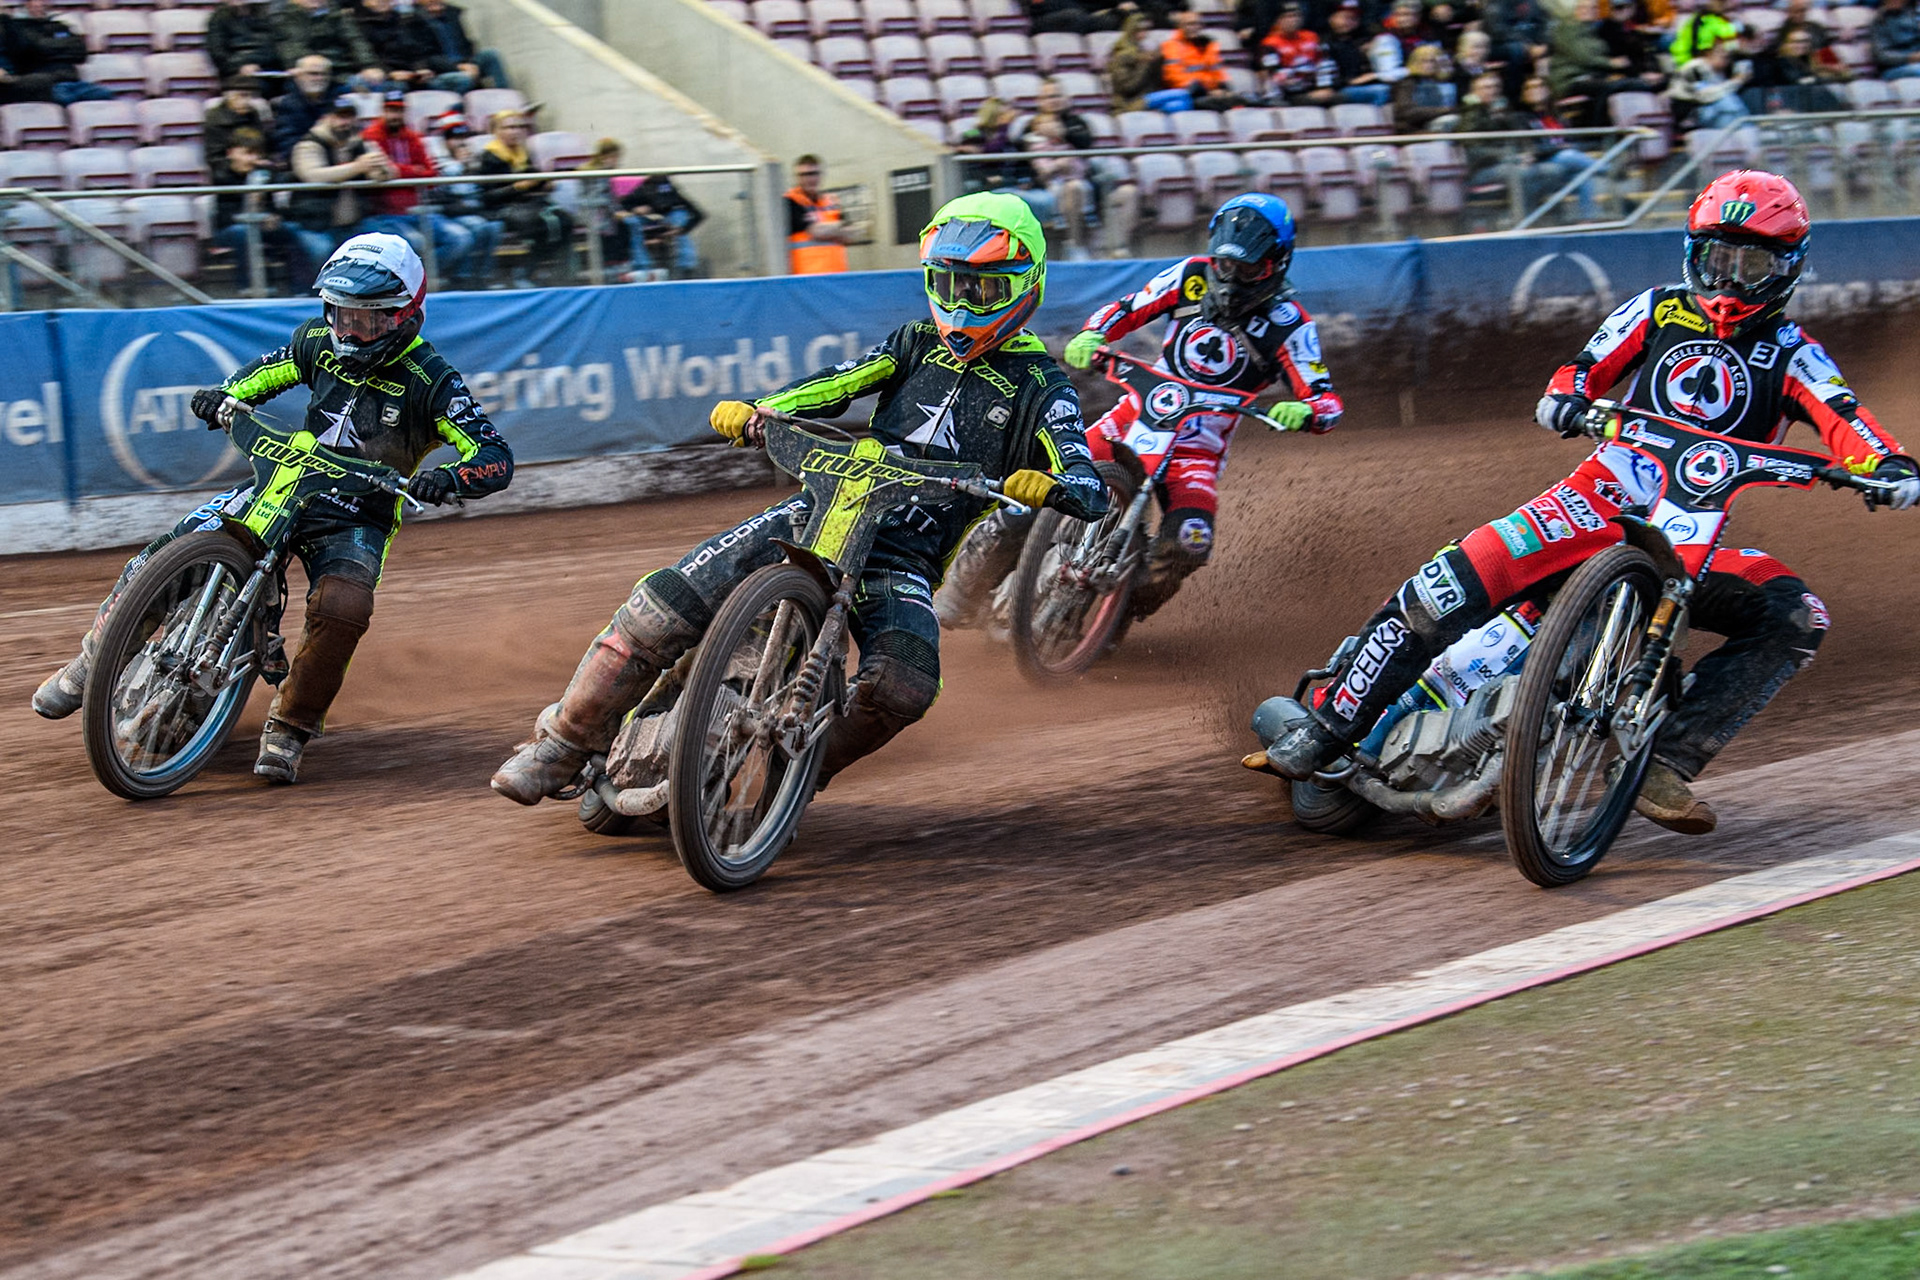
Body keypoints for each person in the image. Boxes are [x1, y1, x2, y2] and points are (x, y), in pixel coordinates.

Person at [1252, 171, 1920, 835]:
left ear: (1787, 269)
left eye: (1753, 263)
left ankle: (1666, 762)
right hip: (1594, 497)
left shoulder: (1796, 355)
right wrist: (1567, 397)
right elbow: (1582, 369)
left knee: (1796, 612)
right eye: (1720, 258)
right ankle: (1330, 726)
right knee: (1446, 583)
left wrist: (1886, 466)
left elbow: (1847, 422)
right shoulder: (1657, 310)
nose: (1732, 279)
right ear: (1694, 252)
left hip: (1689, 540)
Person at [490, 192, 1107, 805]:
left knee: (907, 685)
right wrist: (766, 410)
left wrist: (1052, 486)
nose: (961, 305)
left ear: (1028, 287)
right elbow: (837, 382)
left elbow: (1086, 480)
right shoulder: (913, 343)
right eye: (947, 284)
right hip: (818, 512)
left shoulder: (1043, 387)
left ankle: (795, 779)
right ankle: (563, 744)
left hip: (901, 559)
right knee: (661, 604)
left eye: (983, 291)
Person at [33, 234, 514, 784]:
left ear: (407, 316)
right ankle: (92, 660)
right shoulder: (316, 340)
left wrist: (449, 478)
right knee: (170, 551)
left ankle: (291, 726)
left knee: (344, 607)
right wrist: (224, 395)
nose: (350, 330)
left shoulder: (434, 382)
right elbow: (265, 372)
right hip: (285, 478)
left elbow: (495, 455)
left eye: (368, 320)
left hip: (358, 512)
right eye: (340, 314)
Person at [936, 193, 1342, 630]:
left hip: (1195, 454)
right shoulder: (1192, 277)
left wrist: (1306, 412)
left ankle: (1108, 625)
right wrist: (1093, 333)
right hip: (1134, 416)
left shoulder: (1291, 324)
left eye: (1249, 269)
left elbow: (1326, 399)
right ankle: (961, 591)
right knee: (1033, 486)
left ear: (1277, 263)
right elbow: (1129, 308)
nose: (1233, 278)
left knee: (1190, 543)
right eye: (1226, 264)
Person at [360, 87, 477, 283]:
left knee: (461, 238)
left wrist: (400, 172)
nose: (394, 115)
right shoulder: (371, 136)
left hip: (418, 209)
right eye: (390, 110)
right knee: (415, 244)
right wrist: (413, 171)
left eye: (398, 110)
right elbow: (381, 172)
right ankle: (411, 284)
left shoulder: (413, 137)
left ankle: (419, 281)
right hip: (384, 214)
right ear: (383, 111)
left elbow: (430, 173)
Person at [288, 95, 392, 266]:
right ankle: (309, 292)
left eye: (350, 116)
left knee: (389, 243)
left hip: (355, 223)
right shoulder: (308, 144)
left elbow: (387, 173)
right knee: (322, 250)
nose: (346, 122)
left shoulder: (361, 143)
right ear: (326, 118)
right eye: (340, 116)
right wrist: (358, 167)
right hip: (316, 225)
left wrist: (380, 170)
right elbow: (313, 175)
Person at [474, 110, 575, 286]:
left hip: (530, 204)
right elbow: (487, 196)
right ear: (496, 131)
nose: (516, 131)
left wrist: (544, 184)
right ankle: (524, 273)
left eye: (519, 127)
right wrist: (516, 187)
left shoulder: (523, 153)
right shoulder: (488, 157)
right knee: (541, 225)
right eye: (509, 127)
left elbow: (531, 179)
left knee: (565, 220)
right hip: (503, 208)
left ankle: (562, 274)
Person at [210, 127, 315, 291]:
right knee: (243, 232)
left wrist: (275, 216)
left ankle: (302, 289)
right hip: (229, 229)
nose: (253, 159)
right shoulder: (222, 176)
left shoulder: (265, 174)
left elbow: (280, 205)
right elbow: (224, 216)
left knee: (292, 230)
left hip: (262, 225)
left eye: (256, 154)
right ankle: (247, 287)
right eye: (247, 153)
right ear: (231, 153)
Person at [423, 112, 502, 287]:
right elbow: (441, 196)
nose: (459, 142)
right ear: (445, 140)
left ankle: (483, 275)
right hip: (449, 213)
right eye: (454, 137)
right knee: (477, 227)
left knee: (496, 227)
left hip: (473, 210)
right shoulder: (438, 162)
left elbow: (481, 189)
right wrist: (459, 166)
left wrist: (471, 166)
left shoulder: (473, 159)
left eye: (462, 137)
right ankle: (462, 277)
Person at [0, 0, 111, 105]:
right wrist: (59, 48)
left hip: (74, 82)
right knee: (64, 98)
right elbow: (32, 50)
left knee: (104, 94)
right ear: (26, 4)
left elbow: (80, 51)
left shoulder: (60, 26)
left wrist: (45, 48)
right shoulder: (17, 28)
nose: (40, 4)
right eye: (35, 1)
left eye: (43, 1)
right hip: (49, 85)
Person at [272, 0, 383, 91]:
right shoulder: (286, 17)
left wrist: (369, 66)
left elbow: (356, 41)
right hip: (311, 72)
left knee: (382, 85)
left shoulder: (338, 15)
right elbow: (292, 46)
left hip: (343, 70)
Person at [783, 153, 858, 274]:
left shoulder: (832, 201)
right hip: (807, 279)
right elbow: (815, 231)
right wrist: (840, 227)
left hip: (837, 276)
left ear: (821, 175)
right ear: (796, 177)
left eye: (814, 173)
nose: (810, 179)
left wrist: (827, 229)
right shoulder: (791, 202)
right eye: (804, 175)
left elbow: (851, 236)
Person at [415, 0, 509, 93]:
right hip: (440, 72)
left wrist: (470, 64)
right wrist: (459, 67)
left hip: (466, 62)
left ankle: (505, 96)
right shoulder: (415, 21)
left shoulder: (453, 14)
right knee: (462, 79)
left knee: (490, 54)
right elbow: (429, 58)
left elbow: (467, 44)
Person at [1159, 9, 1243, 109]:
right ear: (1180, 26)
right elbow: (1173, 76)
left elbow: (1217, 72)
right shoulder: (1171, 46)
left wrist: (1222, 88)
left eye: (1198, 24)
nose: (1195, 28)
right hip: (1188, 94)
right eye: (1190, 24)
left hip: (1209, 93)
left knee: (1238, 101)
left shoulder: (1208, 45)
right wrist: (1206, 89)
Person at [204, 75, 275, 183]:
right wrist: (240, 163)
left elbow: (263, 145)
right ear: (228, 96)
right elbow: (214, 158)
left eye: (251, 96)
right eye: (242, 96)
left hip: (254, 164)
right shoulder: (214, 120)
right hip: (228, 171)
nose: (247, 101)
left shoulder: (253, 115)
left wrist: (262, 160)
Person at [1669, 36, 1750, 129]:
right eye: (1722, 55)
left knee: (1731, 104)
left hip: (1713, 111)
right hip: (1690, 111)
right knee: (1727, 101)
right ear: (1709, 53)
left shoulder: (1720, 71)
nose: (1727, 59)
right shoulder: (1695, 67)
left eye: (1728, 57)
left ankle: (1744, 132)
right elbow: (1705, 96)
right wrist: (1736, 82)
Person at [271, 54, 339, 160]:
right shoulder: (288, 105)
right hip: (305, 161)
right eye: (313, 74)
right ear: (298, 76)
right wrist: (317, 136)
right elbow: (287, 146)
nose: (319, 78)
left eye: (324, 74)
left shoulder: (337, 101)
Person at [207, 0, 281, 81]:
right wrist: (239, 67)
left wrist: (258, 63)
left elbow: (273, 44)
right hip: (236, 72)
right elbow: (217, 51)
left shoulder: (266, 14)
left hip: (267, 68)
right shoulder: (219, 18)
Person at [1107, 11, 1160, 112]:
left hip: (1146, 98)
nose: (1144, 34)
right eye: (1139, 30)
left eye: (1146, 30)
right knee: (1181, 95)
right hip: (1128, 103)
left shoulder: (1144, 51)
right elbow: (1127, 88)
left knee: (1180, 104)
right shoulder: (1121, 54)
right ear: (1131, 30)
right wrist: (1145, 63)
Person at [1670, 0, 1738, 63]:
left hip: (1704, 61)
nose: (1724, 5)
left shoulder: (1718, 20)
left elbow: (1732, 43)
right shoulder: (1706, 20)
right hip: (1690, 61)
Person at [1869, 0, 1920, 80]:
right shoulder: (1880, 21)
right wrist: (1911, 57)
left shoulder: (1913, 15)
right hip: (1895, 68)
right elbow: (1882, 56)